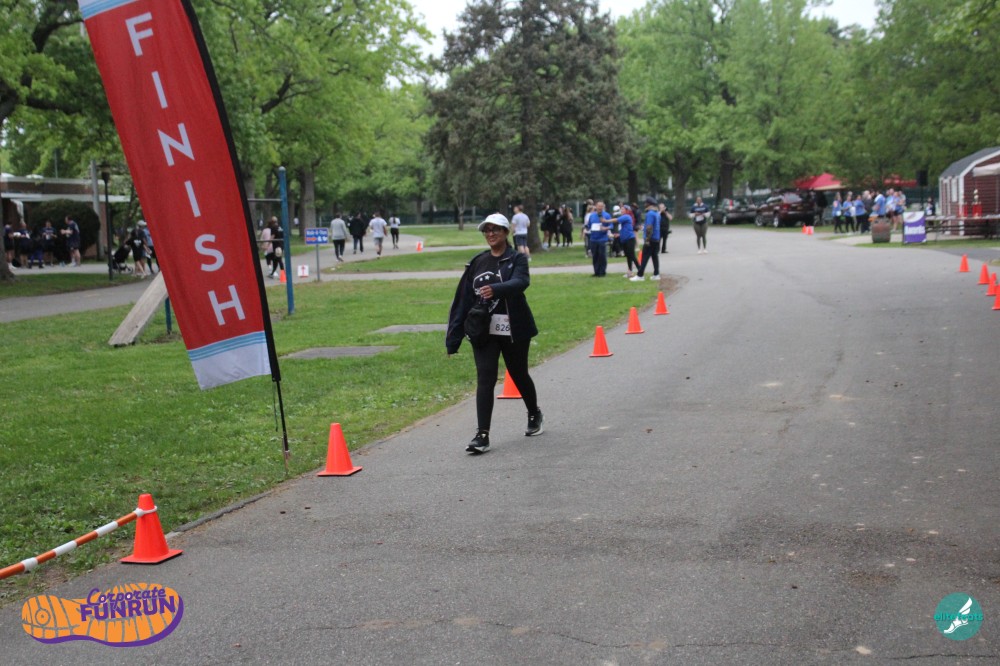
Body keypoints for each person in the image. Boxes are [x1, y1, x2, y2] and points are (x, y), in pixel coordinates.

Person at [445, 213, 543, 454]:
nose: (490, 234)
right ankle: (482, 435)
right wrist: (453, 339)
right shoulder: (477, 262)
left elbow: (521, 282)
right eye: (486, 230)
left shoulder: (517, 259)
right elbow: (462, 300)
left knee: (518, 373)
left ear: (506, 232)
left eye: (495, 229)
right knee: (485, 378)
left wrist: (496, 289)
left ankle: (534, 413)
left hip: (514, 329)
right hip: (483, 331)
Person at [631, 197, 661, 280]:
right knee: (655, 257)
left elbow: (649, 227)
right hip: (656, 238)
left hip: (650, 239)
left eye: (646, 203)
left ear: (649, 204)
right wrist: (643, 228)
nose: (644, 204)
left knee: (644, 257)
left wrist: (647, 240)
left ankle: (640, 275)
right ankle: (656, 274)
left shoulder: (650, 213)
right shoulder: (657, 213)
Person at [586, 200, 612, 276]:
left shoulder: (606, 215)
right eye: (599, 206)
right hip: (593, 239)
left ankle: (602, 272)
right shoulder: (592, 215)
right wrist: (586, 228)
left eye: (601, 206)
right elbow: (589, 225)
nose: (600, 207)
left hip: (602, 239)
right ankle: (596, 271)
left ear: (603, 207)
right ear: (596, 206)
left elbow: (611, 225)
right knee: (595, 256)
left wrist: (605, 228)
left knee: (602, 255)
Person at [614, 204, 638, 278]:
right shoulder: (623, 217)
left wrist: (605, 220)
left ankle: (640, 270)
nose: (621, 210)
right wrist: (619, 234)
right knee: (628, 256)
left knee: (632, 255)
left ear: (627, 210)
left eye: (623, 209)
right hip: (625, 239)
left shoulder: (627, 216)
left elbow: (615, 220)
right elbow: (624, 228)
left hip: (630, 239)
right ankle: (630, 272)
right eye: (621, 209)